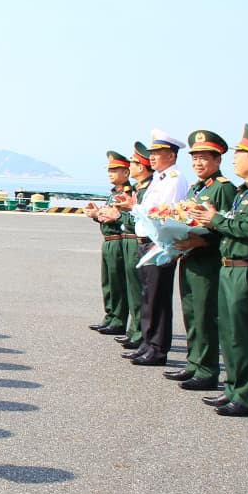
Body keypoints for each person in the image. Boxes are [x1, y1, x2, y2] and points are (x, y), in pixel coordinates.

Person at [189, 125, 248, 416]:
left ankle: (247, 396)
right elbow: (233, 224)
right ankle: (232, 389)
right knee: (230, 333)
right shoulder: (245, 193)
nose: (234, 159)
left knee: (245, 335)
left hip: (247, 269)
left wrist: (214, 219)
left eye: (240, 153)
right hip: (229, 267)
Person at [165, 131, 238, 392]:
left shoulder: (224, 189)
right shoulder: (198, 188)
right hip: (190, 258)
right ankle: (194, 363)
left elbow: (229, 229)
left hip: (208, 262)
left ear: (218, 160)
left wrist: (203, 242)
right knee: (192, 314)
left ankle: (207, 371)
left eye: (204, 158)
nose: (197, 163)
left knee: (206, 316)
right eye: (195, 158)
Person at [125, 129, 188, 366]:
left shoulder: (174, 179)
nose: (152, 157)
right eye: (151, 153)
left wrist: (135, 207)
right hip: (146, 242)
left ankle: (158, 348)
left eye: (158, 153)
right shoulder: (159, 179)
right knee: (148, 296)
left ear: (171, 156)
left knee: (158, 298)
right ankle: (147, 342)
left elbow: (164, 213)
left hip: (159, 243)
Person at [111, 142, 153, 351]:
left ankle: (139, 333)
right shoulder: (139, 188)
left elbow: (140, 216)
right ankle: (134, 331)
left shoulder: (146, 189)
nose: (131, 166)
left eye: (134, 162)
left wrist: (118, 215)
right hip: (131, 239)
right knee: (131, 287)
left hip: (137, 240)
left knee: (139, 291)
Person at [87, 151, 134, 336]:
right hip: (108, 240)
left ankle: (118, 320)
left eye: (115, 170)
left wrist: (102, 215)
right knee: (108, 282)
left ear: (126, 173)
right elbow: (108, 215)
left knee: (117, 283)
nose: (110, 173)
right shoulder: (114, 192)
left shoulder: (127, 193)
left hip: (118, 240)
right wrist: (97, 214)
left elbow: (122, 218)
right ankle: (110, 316)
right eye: (109, 170)